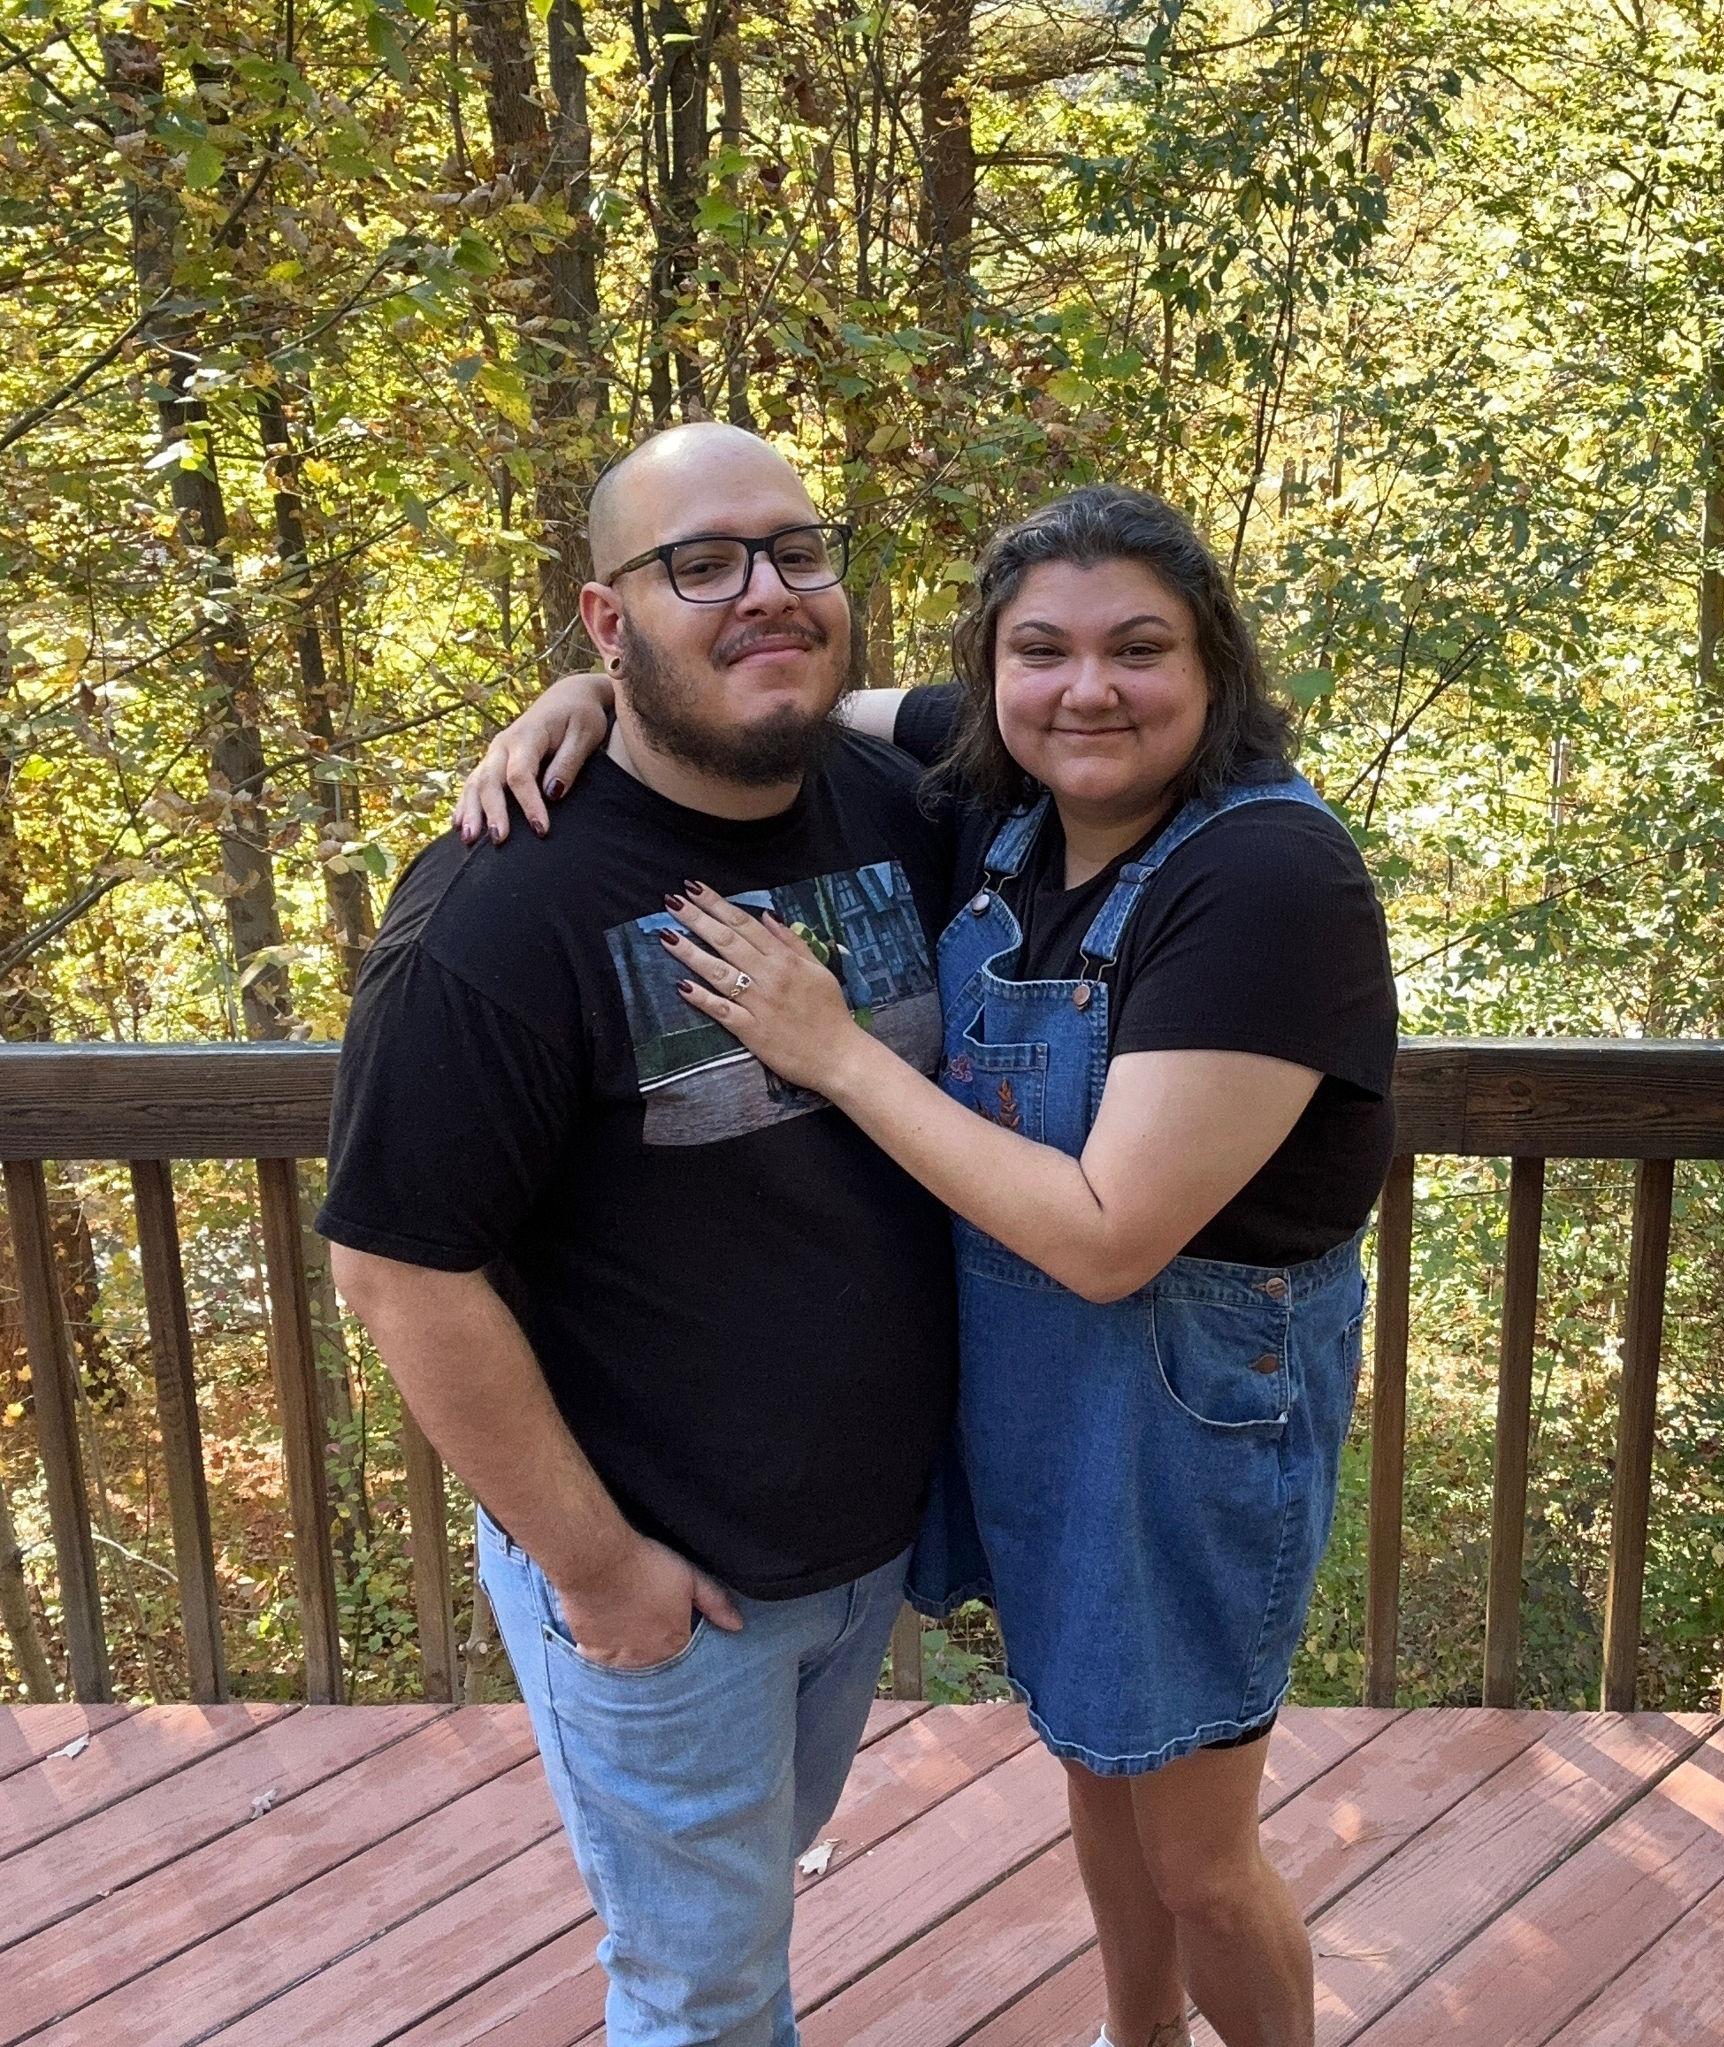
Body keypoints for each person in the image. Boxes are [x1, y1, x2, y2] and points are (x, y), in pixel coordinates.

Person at [463, 485, 1399, 2047]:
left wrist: (833, 1049)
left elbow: (1106, 1235)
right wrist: (590, 696)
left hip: (1189, 1410)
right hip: (1040, 1395)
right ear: (995, 673)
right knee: (1096, 1759)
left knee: (1198, 1856)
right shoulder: (1003, 793)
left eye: (1140, 650)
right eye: (1042, 651)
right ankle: (1137, 2039)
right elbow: (809, 696)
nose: (1087, 688)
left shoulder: (1267, 882)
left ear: (1214, 668)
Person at [318, 422, 961, 2047]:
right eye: (701, 566)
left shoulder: (900, 809)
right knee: (701, 1993)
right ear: (609, 619)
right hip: (664, 1573)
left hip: (858, 1549)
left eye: (795, 553)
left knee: (745, 1914)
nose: (766, 592)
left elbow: (1108, 725)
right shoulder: (496, 911)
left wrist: (601, 690)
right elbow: (396, 1270)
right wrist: (600, 1573)